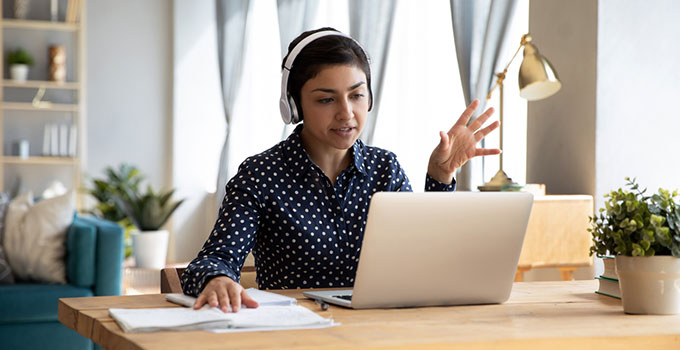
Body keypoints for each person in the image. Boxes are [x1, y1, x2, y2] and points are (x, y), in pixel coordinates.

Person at [181, 27, 500, 312]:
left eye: (357, 95)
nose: (347, 113)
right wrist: (218, 278)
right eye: (325, 100)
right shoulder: (261, 174)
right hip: (293, 333)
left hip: (379, 332)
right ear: (294, 105)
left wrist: (440, 177)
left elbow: (428, 258)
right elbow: (212, 260)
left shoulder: (384, 168)